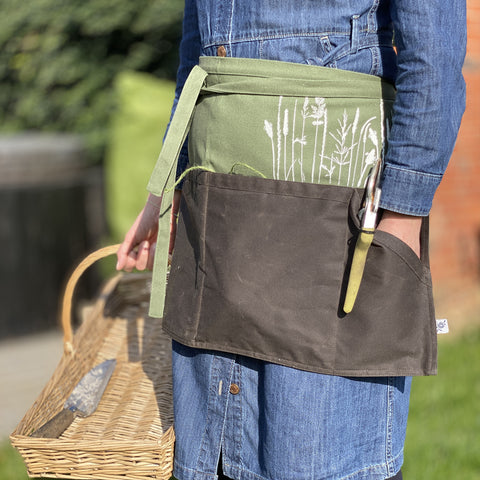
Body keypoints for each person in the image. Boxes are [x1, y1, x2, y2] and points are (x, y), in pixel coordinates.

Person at [117, 1, 466, 479]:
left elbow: (434, 58)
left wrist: (403, 213)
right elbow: (196, 53)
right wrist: (167, 189)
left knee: (318, 457)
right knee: (211, 455)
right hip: (214, 214)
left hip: (333, 217)